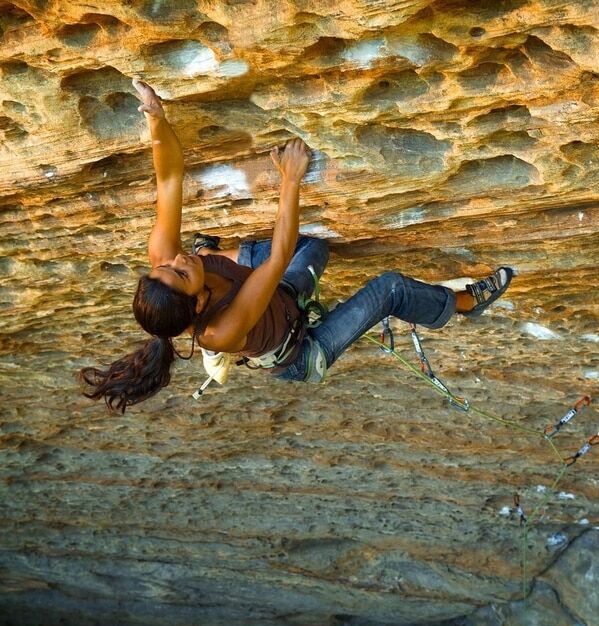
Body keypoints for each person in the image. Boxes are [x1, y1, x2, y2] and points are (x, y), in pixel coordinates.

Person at [80, 79, 513, 414]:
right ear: (195, 307)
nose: (175, 259)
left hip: (283, 296)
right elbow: (281, 253)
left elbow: (169, 180)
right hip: (303, 349)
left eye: (165, 266)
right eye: (179, 273)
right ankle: (463, 305)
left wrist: (156, 119)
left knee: (315, 251)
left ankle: (231, 261)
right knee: (391, 290)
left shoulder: (167, 260)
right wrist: (289, 179)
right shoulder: (221, 329)